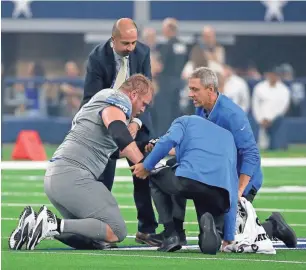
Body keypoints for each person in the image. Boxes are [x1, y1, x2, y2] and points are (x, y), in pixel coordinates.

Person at [149, 67, 297, 248]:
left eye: (195, 89)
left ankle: (273, 227)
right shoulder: (202, 110)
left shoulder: (232, 115)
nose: (190, 94)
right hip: (214, 175)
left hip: (237, 179)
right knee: (175, 168)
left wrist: (239, 190)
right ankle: (176, 233)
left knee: (230, 240)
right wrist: (163, 148)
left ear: (210, 90)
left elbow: (251, 153)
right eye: (190, 89)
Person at [9, 74, 155, 251]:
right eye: (144, 103)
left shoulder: (104, 100)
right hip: (73, 176)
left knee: (95, 239)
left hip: (58, 175)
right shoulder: (119, 99)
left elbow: (117, 149)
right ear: (133, 94)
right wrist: (143, 163)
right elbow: (117, 130)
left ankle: (33, 224)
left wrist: (147, 149)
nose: (143, 109)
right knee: (117, 230)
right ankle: (51, 223)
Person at [82, 18, 158, 243]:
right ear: (113, 39)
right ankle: (98, 229)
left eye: (134, 43)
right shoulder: (97, 58)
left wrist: (135, 123)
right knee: (104, 178)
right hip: (107, 122)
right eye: (126, 43)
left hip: (137, 119)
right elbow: (92, 99)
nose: (131, 48)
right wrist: (116, 125)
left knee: (144, 171)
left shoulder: (142, 52)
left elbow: (146, 92)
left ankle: (147, 229)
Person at [132, 115, 238, 254]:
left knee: (159, 174)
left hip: (190, 180)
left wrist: (146, 166)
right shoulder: (227, 135)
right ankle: (216, 234)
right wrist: (229, 235)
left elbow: (168, 140)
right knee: (179, 172)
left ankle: (172, 233)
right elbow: (233, 183)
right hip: (220, 191)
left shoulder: (185, 121)